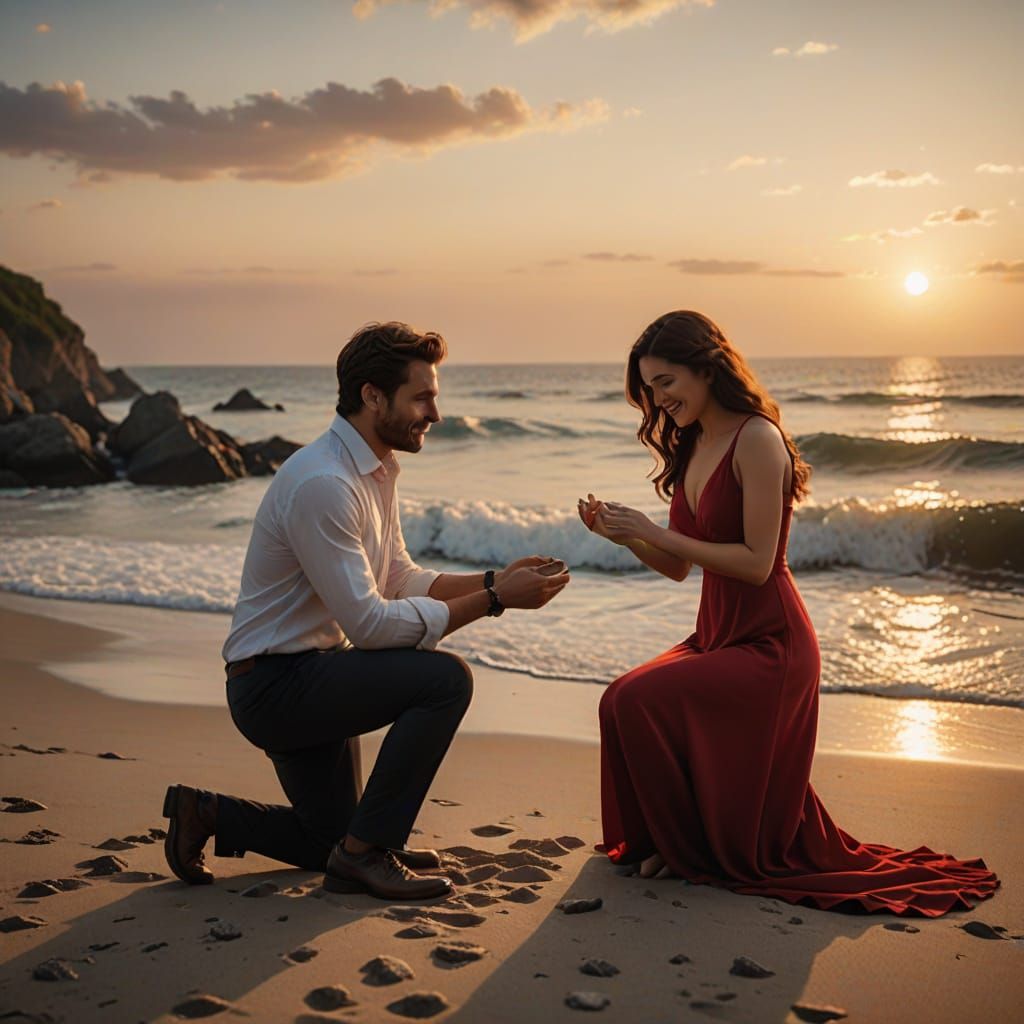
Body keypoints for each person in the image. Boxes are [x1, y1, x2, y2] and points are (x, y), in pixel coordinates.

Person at [578, 310, 998, 916]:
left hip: (771, 645)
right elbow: (676, 567)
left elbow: (755, 564)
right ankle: (670, 843)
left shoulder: (758, 438)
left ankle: (685, 848)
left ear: (705, 366)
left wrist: (652, 528)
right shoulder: (693, 443)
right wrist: (624, 537)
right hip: (718, 635)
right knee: (621, 698)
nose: (657, 399)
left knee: (634, 700)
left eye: (666, 382)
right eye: (648, 388)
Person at [163, 321, 570, 901]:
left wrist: (492, 579)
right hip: (275, 686)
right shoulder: (324, 483)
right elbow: (372, 626)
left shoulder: (373, 471)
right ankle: (368, 854)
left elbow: (399, 578)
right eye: (422, 397)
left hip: (310, 673)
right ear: (372, 397)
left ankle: (204, 812)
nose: (435, 413)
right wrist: (497, 601)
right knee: (444, 680)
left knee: (323, 840)